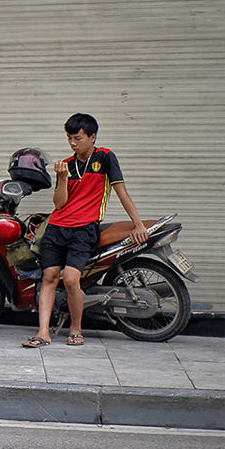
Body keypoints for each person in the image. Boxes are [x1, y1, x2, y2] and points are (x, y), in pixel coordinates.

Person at [28, 112, 150, 348]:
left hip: (84, 230)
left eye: (78, 138)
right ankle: (43, 331)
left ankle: (76, 327)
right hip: (56, 228)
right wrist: (61, 178)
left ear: (92, 137)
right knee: (49, 277)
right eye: (69, 138)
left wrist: (138, 223)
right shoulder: (66, 164)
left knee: (72, 280)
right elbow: (59, 204)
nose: (73, 143)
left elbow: (121, 192)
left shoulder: (105, 157)